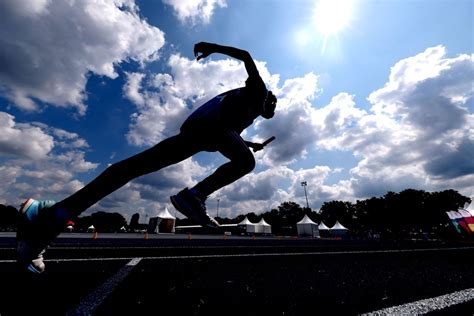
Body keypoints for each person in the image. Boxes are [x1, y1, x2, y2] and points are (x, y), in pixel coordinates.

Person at [16, 42, 277, 273]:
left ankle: (50, 215)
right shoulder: (259, 91)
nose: (271, 111)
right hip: (207, 129)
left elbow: (228, 132)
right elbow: (245, 55)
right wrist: (212, 47)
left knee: (131, 168)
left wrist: (247, 143)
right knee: (245, 163)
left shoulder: (243, 113)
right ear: (267, 100)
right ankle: (194, 196)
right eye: (272, 106)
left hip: (196, 135)